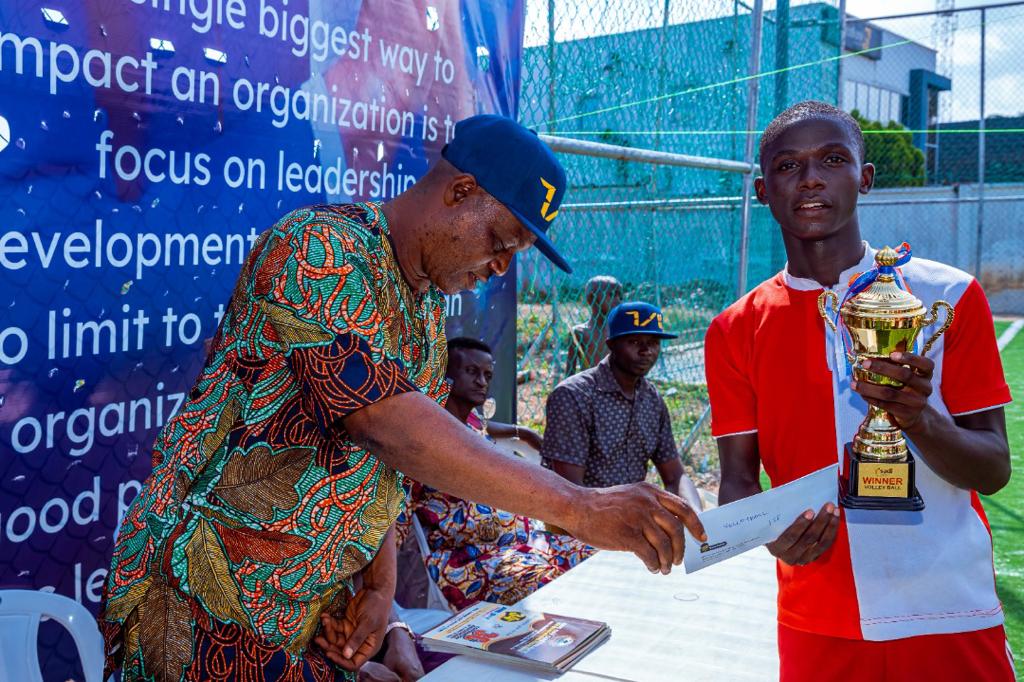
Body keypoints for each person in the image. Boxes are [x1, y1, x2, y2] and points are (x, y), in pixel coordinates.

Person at [99, 114, 704, 682]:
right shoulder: (321, 251)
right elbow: (384, 424)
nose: (499, 267)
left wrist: (381, 592)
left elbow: (387, 472)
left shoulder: (421, 307)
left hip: (305, 611)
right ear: (460, 190)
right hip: (206, 599)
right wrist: (579, 506)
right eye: (500, 240)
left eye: (513, 255)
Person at [705, 101, 1014, 681]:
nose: (812, 177)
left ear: (865, 178)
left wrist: (919, 418)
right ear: (762, 190)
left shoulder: (946, 296)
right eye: (788, 166)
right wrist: (770, 535)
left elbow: (993, 468)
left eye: (833, 159)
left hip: (945, 606)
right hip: (817, 615)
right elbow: (739, 482)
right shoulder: (734, 329)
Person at [399, 337, 594, 610]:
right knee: (551, 583)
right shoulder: (425, 438)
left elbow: (486, 427)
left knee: (594, 556)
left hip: (522, 544)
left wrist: (523, 433)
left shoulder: (472, 421)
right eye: (471, 372)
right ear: (445, 375)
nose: (481, 381)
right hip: (470, 561)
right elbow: (398, 511)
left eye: (487, 375)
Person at [542, 301, 703, 511]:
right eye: (635, 341)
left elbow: (675, 475)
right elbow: (570, 493)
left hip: (634, 518)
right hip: (579, 523)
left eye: (654, 342)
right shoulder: (574, 396)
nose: (646, 351)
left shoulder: (652, 400)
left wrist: (696, 516)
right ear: (611, 344)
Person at [566, 275, 623, 375]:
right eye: (612, 295)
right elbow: (570, 373)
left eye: (620, 297)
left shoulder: (620, 331)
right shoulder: (579, 333)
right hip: (590, 386)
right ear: (592, 298)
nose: (618, 301)